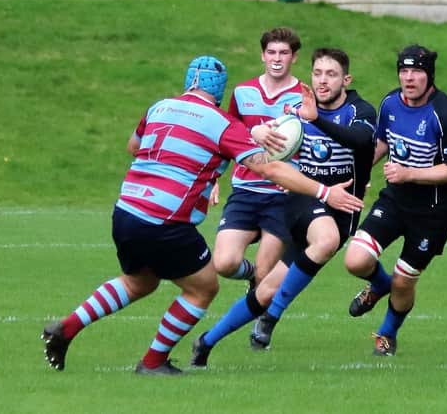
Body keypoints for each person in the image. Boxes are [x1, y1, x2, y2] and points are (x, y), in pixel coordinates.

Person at [39, 55, 364, 376]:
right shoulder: (221, 122)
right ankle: (153, 363)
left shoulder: (159, 107)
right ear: (220, 90)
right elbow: (271, 168)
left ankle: (67, 327)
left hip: (126, 211)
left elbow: (133, 146)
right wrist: (325, 192)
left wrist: (189, 163)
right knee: (203, 288)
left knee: (139, 282)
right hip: (165, 220)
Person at [190, 47, 378, 366]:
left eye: (331, 74)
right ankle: (272, 318)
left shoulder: (360, 111)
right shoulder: (297, 112)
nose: (322, 81)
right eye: (317, 73)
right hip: (303, 202)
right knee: (326, 240)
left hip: (344, 209)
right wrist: (257, 131)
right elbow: (257, 142)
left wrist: (317, 119)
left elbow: (360, 141)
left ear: (346, 79)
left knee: (266, 290)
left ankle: (206, 342)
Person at [344, 44, 447, 356]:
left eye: (416, 72)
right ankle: (378, 284)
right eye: (404, 71)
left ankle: (387, 334)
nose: (409, 78)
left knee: (404, 282)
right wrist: (358, 174)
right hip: (395, 200)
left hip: (433, 212)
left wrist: (410, 173)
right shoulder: (389, 103)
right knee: (356, 260)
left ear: (429, 76)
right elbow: (383, 142)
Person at [210, 27, 302, 288]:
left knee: (266, 274)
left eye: (284, 53)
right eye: (271, 52)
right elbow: (226, 138)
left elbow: (315, 145)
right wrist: (214, 177)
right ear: (262, 55)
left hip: (283, 195)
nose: (276, 58)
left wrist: (300, 177)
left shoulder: (304, 98)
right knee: (224, 263)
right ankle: (252, 278)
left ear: (294, 57)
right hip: (245, 190)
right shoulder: (242, 92)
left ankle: (263, 324)